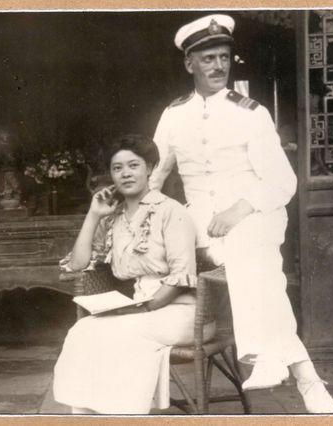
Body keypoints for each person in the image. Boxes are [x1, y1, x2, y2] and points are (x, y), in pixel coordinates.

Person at [149, 14, 333, 414]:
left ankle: (264, 354)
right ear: (190, 64)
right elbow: (156, 174)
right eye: (207, 59)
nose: (218, 66)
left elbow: (283, 182)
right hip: (201, 220)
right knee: (255, 266)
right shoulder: (173, 115)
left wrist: (238, 209)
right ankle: (304, 376)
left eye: (223, 57)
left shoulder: (251, 113)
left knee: (248, 249)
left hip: (255, 212)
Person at [53, 134, 216, 414]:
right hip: (141, 309)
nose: (125, 173)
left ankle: (126, 414)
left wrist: (142, 309)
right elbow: (78, 264)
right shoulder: (113, 217)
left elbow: (181, 277)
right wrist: (94, 215)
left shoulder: (171, 212)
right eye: (117, 168)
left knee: (123, 334)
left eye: (134, 165)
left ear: (151, 168)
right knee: (82, 330)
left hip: (183, 310)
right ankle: (86, 415)